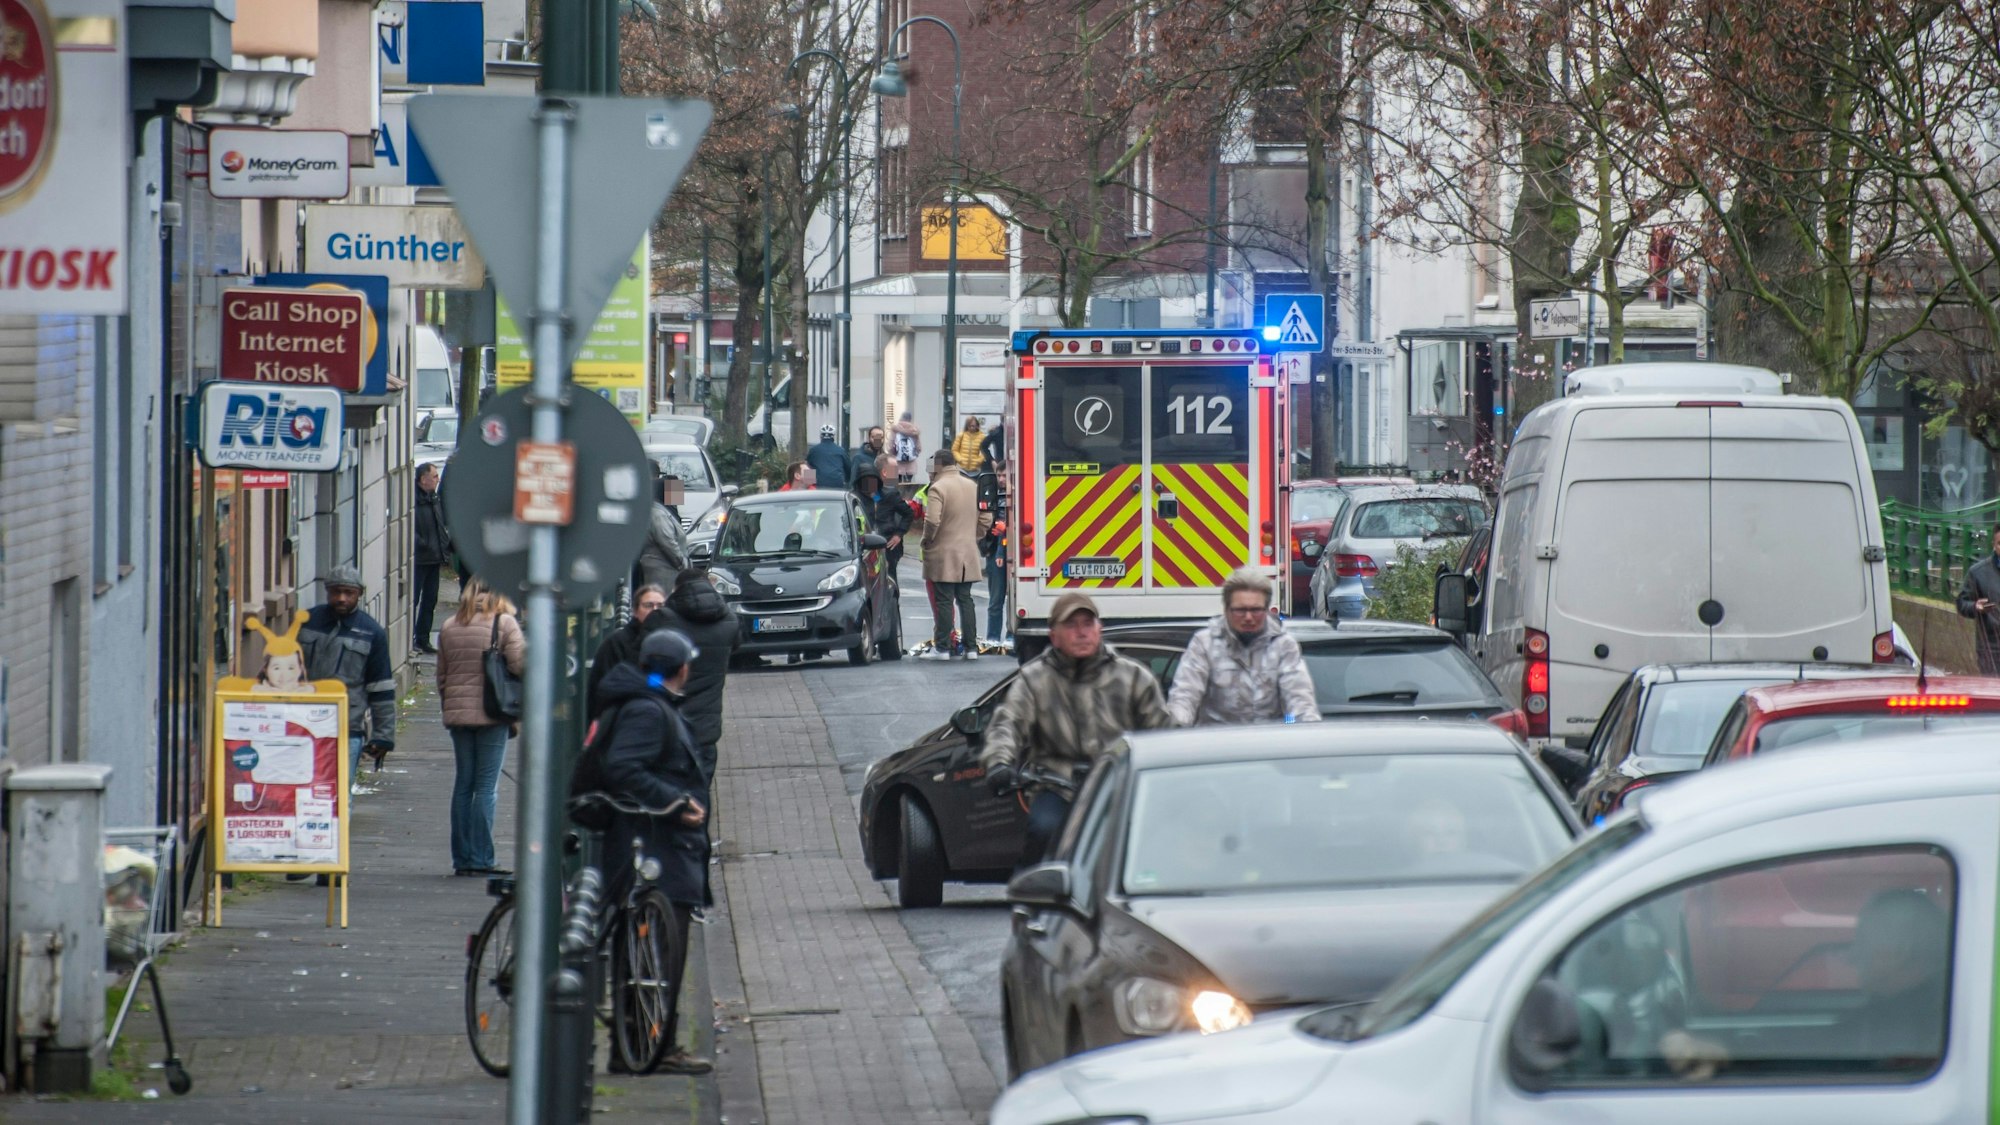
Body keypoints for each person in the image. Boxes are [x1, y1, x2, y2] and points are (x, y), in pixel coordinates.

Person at [588, 628, 714, 1076]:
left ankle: (638, 1046)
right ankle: (650, 1046)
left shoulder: (650, 701)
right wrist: (676, 804)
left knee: (649, 953)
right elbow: (625, 768)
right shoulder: (648, 709)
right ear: (682, 669)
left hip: (658, 844)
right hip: (654, 847)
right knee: (660, 954)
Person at [981, 592, 1174, 866]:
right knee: (1043, 831)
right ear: (1054, 635)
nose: (1081, 632)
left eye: (1087, 624)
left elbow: (1163, 731)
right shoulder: (1035, 680)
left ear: (1100, 629)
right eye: (1071, 625)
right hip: (1057, 788)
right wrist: (999, 763)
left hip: (1118, 786)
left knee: (1147, 845)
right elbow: (1008, 723)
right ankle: (1034, 901)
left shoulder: (1133, 677)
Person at [437, 579, 526, 877]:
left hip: (459, 716)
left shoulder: (449, 626)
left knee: (464, 784)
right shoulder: (505, 623)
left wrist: (450, 707)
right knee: (486, 786)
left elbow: (442, 676)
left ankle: (462, 857)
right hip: (493, 715)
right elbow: (520, 666)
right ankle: (482, 857)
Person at [1167, 568, 1322, 726]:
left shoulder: (1283, 645)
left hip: (1268, 745)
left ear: (1267, 610)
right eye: (1240, 610)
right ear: (1226, 610)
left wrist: (1309, 734)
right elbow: (1184, 697)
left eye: (1255, 610)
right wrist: (1176, 729)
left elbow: (1300, 700)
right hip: (1215, 746)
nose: (1248, 617)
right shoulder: (1204, 644)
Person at [299, 565, 396, 794]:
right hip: (301, 724)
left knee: (340, 796)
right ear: (327, 591)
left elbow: (381, 688)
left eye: (348, 593)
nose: (341, 598)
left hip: (346, 728)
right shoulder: (307, 622)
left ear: (359, 594)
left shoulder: (372, 633)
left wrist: (383, 737)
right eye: (336, 592)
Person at [646, 569, 738, 784]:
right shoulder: (729, 621)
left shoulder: (661, 619)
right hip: (706, 730)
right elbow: (736, 645)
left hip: (666, 728)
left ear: (676, 589)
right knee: (699, 799)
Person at [920, 449, 991, 660]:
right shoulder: (972, 485)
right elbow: (986, 517)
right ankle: (971, 648)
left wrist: (927, 540)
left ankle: (942, 647)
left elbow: (932, 520)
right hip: (968, 551)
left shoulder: (938, 488)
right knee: (965, 599)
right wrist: (974, 535)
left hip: (943, 551)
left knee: (944, 600)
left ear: (938, 466)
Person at [588, 584, 667, 715]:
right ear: (635, 611)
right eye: (648, 605)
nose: (654, 610)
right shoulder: (616, 643)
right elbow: (602, 687)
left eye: (660, 606)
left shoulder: (672, 642)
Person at [413, 462, 451, 655]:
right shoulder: (414, 499)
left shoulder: (434, 498)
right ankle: (412, 637)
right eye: (434, 476)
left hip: (434, 558)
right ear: (423, 479)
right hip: (420, 559)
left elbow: (440, 525)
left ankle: (423, 639)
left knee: (430, 600)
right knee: (414, 599)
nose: (438, 480)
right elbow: (411, 529)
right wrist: (423, 544)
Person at [852, 466, 914, 576]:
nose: (869, 485)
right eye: (866, 481)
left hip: (887, 546)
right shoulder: (853, 498)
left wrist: (898, 534)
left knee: (890, 579)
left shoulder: (889, 496)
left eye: (873, 481)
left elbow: (908, 513)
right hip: (862, 547)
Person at [1956, 526, 2000, 674]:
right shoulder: (1978, 573)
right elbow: (1962, 603)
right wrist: (1975, 607)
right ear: (1994, 545)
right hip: (1991, 649)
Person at [636, 472, 688, 593]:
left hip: (667, 569)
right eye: (674, 491)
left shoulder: (667, 510)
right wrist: (681, 563)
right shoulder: (657, 513)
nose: (678, 496)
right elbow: (667, 541)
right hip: (662, 570)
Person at [980, 515, 1009, 648]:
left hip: (1010, 550)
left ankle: (1001, 637)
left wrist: (1006, 529)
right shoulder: (990, 497)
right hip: (994, 550)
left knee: (1009, 600)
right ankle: (993, 638)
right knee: (996, 600)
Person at [807, 424, 850, 490]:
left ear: (821, 436)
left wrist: (808, 485)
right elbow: (848, 468)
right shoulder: (841, 450)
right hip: (837, 484)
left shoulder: (813, 450)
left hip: (818, 485)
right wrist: (846, 480)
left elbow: (808, 467)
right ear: (833, 436)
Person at [891, 411, 922, 483]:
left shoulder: (895, 429)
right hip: (911, 463)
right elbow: (919, 448)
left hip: (897, 463)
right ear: (910, 419)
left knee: (896, 484)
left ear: (901, 418)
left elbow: (890, 447)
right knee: (908, 485)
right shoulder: (914, 431)